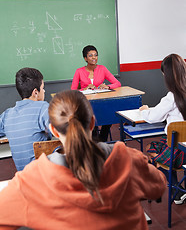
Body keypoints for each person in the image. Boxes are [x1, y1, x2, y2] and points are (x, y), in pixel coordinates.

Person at [0, 90, 166, 230]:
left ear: (54, 131)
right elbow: (158, 187)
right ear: (93, 122)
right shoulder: (129, 160)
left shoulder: (30, 180)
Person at [139, 53, 186, 205]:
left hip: (177, 153)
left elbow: (153, 117)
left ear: (168, 76)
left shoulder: (171, 97)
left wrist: (144, 110)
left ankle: (176, 191)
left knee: (152, 147)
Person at [0, 67, 52, 171]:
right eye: (43, 88)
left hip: (23, 177)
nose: (44, 91)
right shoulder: (43, 108)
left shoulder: (7, 115)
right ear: (35, 92)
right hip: (44, 175)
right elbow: (61, 130)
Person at [71, 45, 121, 142]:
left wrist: (108, 86)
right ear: (85, 58)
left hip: (102, 103)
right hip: (86, 105)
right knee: (90, 121)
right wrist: (85, 89)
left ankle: (102, 140)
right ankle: (94, 140)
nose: (94, 57)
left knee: (109, 116)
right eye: (90, 55)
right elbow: (73, 90)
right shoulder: (79, 71)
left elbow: (117, 83)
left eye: (96, 55)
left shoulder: (102, 69)